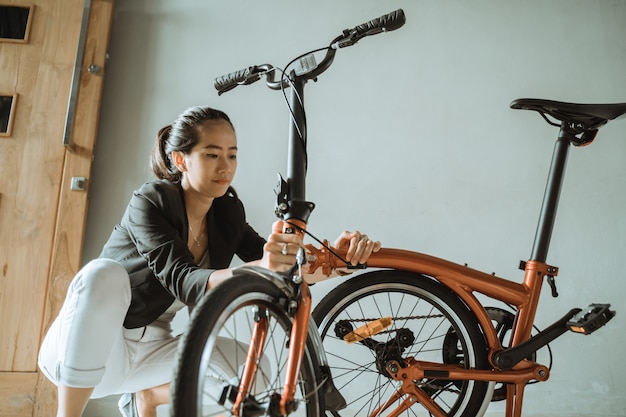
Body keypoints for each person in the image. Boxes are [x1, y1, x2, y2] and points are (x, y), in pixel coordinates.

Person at [38, 106, 381, 417]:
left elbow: (279, 269)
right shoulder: (151, 201)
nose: (225, 166)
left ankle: (147, 396)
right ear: (180, 159)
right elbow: (184, 279)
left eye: (232, 155)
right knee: (103, 275)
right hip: (90, 353)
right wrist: (262, 267)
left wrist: (335, 259)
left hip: (154, 351)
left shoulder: (228, 212)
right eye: (212, 154)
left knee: (255, 380)